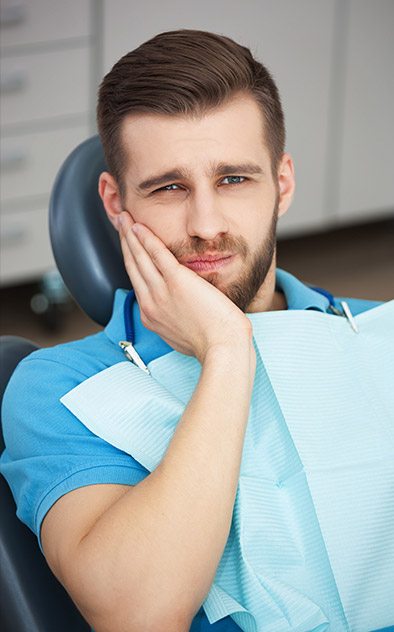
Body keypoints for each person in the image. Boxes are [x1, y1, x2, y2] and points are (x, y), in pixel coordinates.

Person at [0, 29, 391, 632]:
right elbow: (140, 613)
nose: (206, 225)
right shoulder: (58, 389)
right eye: (169, 187)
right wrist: (228, 351)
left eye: (234, 179)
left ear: (282, 184)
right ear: (114, 201)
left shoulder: (378, 336)